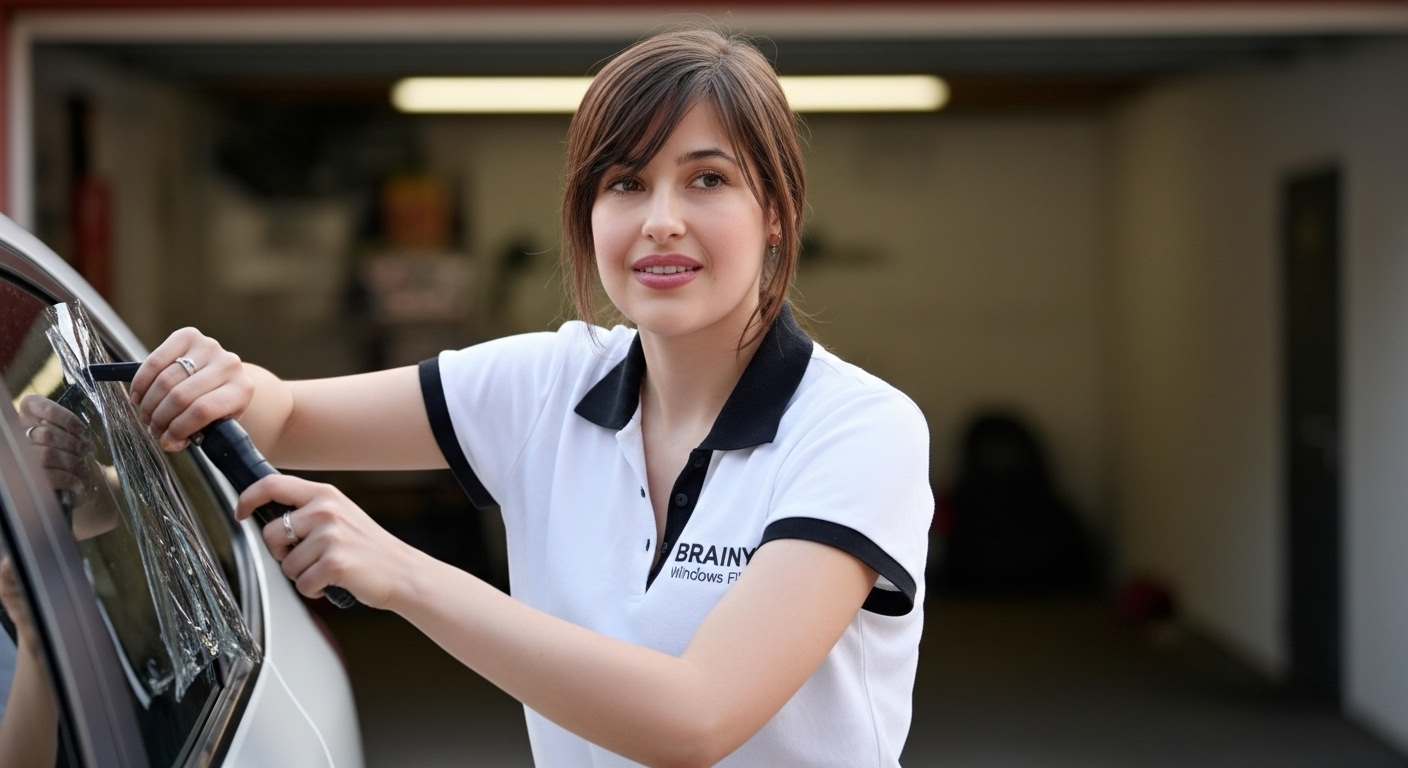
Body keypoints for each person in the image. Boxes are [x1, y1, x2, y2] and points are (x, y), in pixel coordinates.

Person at [130, 28, 932, 767]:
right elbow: (287, 416)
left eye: (708, 179)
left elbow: (697, 717)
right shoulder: (549, 384)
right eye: (625, 182)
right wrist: (222, 383)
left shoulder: (858, 431)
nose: (660, 221)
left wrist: (402, 573)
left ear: (777, 216)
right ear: (588, 216)